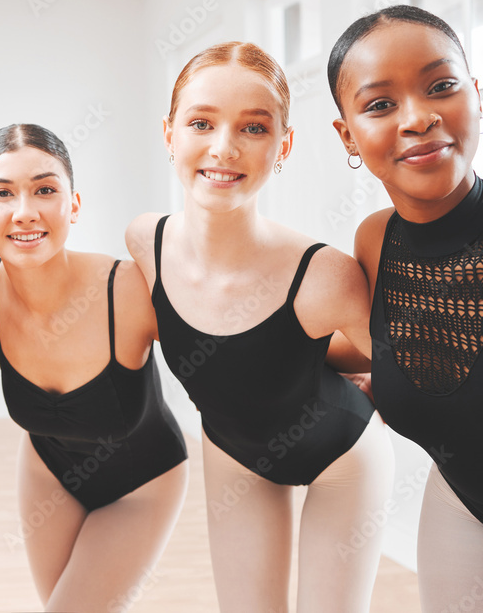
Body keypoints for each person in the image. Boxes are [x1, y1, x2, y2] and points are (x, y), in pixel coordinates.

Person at [125, 42, 394, 613]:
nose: (223, 147)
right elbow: (244, 348)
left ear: (283, 146)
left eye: (253, 127)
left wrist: (382, 386)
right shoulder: (145, 240)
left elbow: (402, 371)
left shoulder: (323, 275)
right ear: (169, 132)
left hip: (341, 458)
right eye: (201, 122)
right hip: (232, 452)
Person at [0, 123, 189, 611]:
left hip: (144, 483)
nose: (25, 212)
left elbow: (226, 349)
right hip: (48, 474)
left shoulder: (127, 289)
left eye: (45, 190)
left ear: (74, 203)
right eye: (2, 193)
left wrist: (345, 369)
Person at [328, 5, 483, 609]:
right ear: (347, 134)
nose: (419, 118)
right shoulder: (375, 240)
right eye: (379, 104)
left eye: (441, 86)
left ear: (476, 94)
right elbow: (383, 342)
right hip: (459, 498)